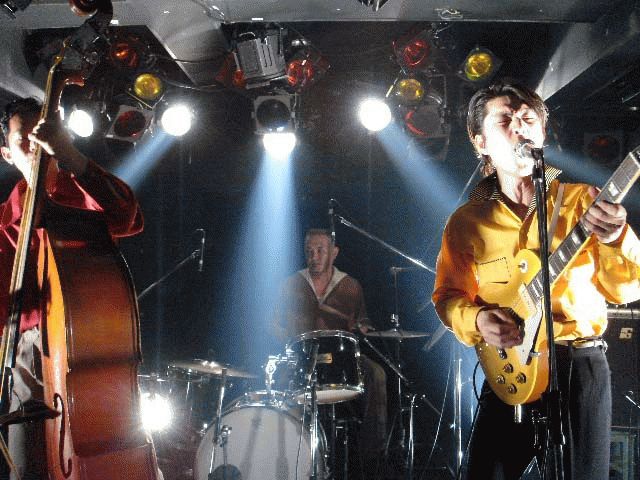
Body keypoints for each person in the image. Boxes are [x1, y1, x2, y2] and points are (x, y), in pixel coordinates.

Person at [432, 81, 640, 479]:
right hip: (509, 368)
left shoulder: (582, 201)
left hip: (577, 364)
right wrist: (478, 319)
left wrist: (615, 237)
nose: (519, 127)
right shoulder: (467, 222)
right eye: (505, 120)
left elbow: (625, 289)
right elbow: (448, 296)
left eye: (528, 119)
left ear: (543, 134)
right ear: (480, 142)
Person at [0, 97, 144, 479]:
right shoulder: (2, 223)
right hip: (28, 362)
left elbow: (127, 216)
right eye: (24, 136)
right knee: (27, 469)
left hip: (90, 348)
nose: (35, 142)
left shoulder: (83, 195)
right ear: (7, 153)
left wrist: (70, 155)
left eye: (42, 130)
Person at [272, 228, 388, 476]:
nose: (313, 256)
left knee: (377, 374)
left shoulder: (351, 286)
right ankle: (289, 457)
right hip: (303, 358)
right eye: (309, 251)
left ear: (334, 253)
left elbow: (362, 322)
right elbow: (274, 323)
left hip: (341, 357)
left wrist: (363, 328)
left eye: (320, 250)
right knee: (278, 381)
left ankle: (371, 459)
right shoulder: (290, 284)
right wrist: (288, 340)